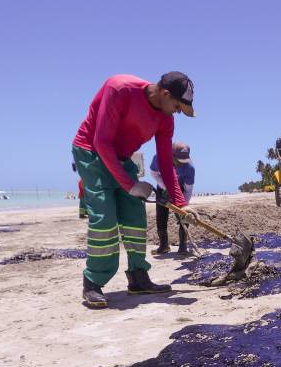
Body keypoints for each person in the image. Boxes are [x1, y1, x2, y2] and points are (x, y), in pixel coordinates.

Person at [71, 72, 198, 308]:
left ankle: (138, 278)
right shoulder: (120, 89)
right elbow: (101, 142)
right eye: (177, 106)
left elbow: (166, 164)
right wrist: (130, 185)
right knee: (105, 221)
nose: (177, 112)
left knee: (135, 218)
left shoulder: (165, 119)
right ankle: (92, 283)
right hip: (91, 152)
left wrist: (182, 204)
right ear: (165, 93)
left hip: (122, 157)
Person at [150, 142, 195, 255]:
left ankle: (183, 248)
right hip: (162, 188)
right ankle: (164, 245)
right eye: (179, 160)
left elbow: (188, 189)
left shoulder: (189, 167)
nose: (181, 163)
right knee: (161, 217)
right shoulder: (158, 158)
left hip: (180, 191)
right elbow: (154, 174)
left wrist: (184, 206)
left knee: (184, 217)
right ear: (171, 155)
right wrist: (167, 188)